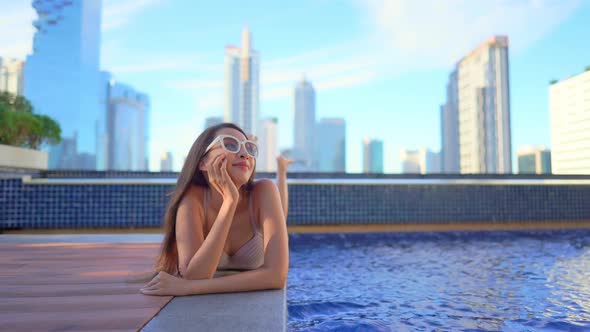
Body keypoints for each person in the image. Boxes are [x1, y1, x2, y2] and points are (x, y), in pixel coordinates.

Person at [141, 123, 289, 296]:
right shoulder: (192, 199)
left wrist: (188, 288)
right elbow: (196, 275)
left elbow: (277, 277)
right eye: (231, 144)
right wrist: (229, 202)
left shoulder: (264, 190)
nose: (244, 154)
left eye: (249, 148)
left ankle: (282, 169)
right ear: (203, 162)